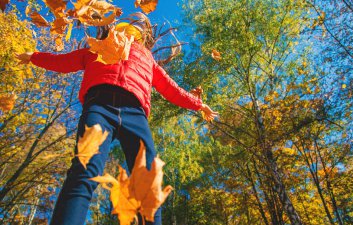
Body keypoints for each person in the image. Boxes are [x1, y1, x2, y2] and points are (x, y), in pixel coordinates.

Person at [16, 14, 218, 225]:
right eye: (127, 24)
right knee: (84, 170)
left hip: (136, 115)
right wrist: (34, 56)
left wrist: (199, 104)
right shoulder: (98, 48)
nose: (130, 28)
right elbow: (64, 61)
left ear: (144, 35)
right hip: (99, 107)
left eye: (136, 26)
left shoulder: (147, 58)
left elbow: (170, 88)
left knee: (148, 183)